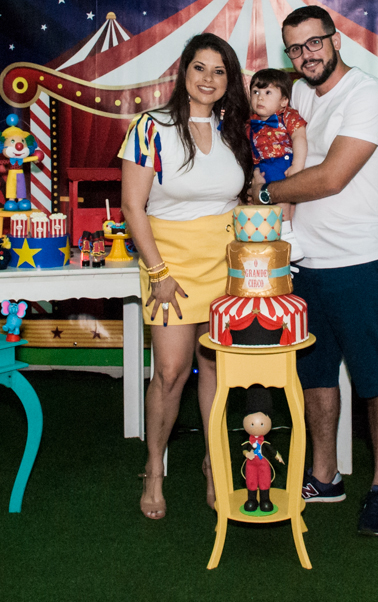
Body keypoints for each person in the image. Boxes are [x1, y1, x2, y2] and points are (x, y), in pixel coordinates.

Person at [250, 5, 378, 536]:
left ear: (335, 40)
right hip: (302, 261)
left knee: (376, 377)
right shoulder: (301, 101)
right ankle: (324, 475)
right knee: (314, 374)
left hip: (359, 261)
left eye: (313, 43)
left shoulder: (367, 93)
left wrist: (266, 193)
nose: (305, 55)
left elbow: (333, 177)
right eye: (294, 48)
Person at [119, 32, 254, 521]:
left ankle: (214, 465)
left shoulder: (234, 130)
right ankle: (155, 468)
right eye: (201, 68)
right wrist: (158, 272)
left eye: (220, 71)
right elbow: (134, 206)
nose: (209, 79)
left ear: (229, 80)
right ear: (184, 71)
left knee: (218, 371)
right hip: (169, 266)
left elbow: (239, 202)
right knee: (172, 373)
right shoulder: (149, 126)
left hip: (226, 267)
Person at [248, 68, 308, 259]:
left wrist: (297, 166)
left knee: (281, 195)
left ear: (284, 101)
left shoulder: (287, 116)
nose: (260, 98)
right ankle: (273, 236)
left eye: (267, 92)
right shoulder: (251, 122)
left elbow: (299, 137)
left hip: (282, 163)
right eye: (255, 92)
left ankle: (288, 234)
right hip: (263, 166)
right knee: (265, 204)